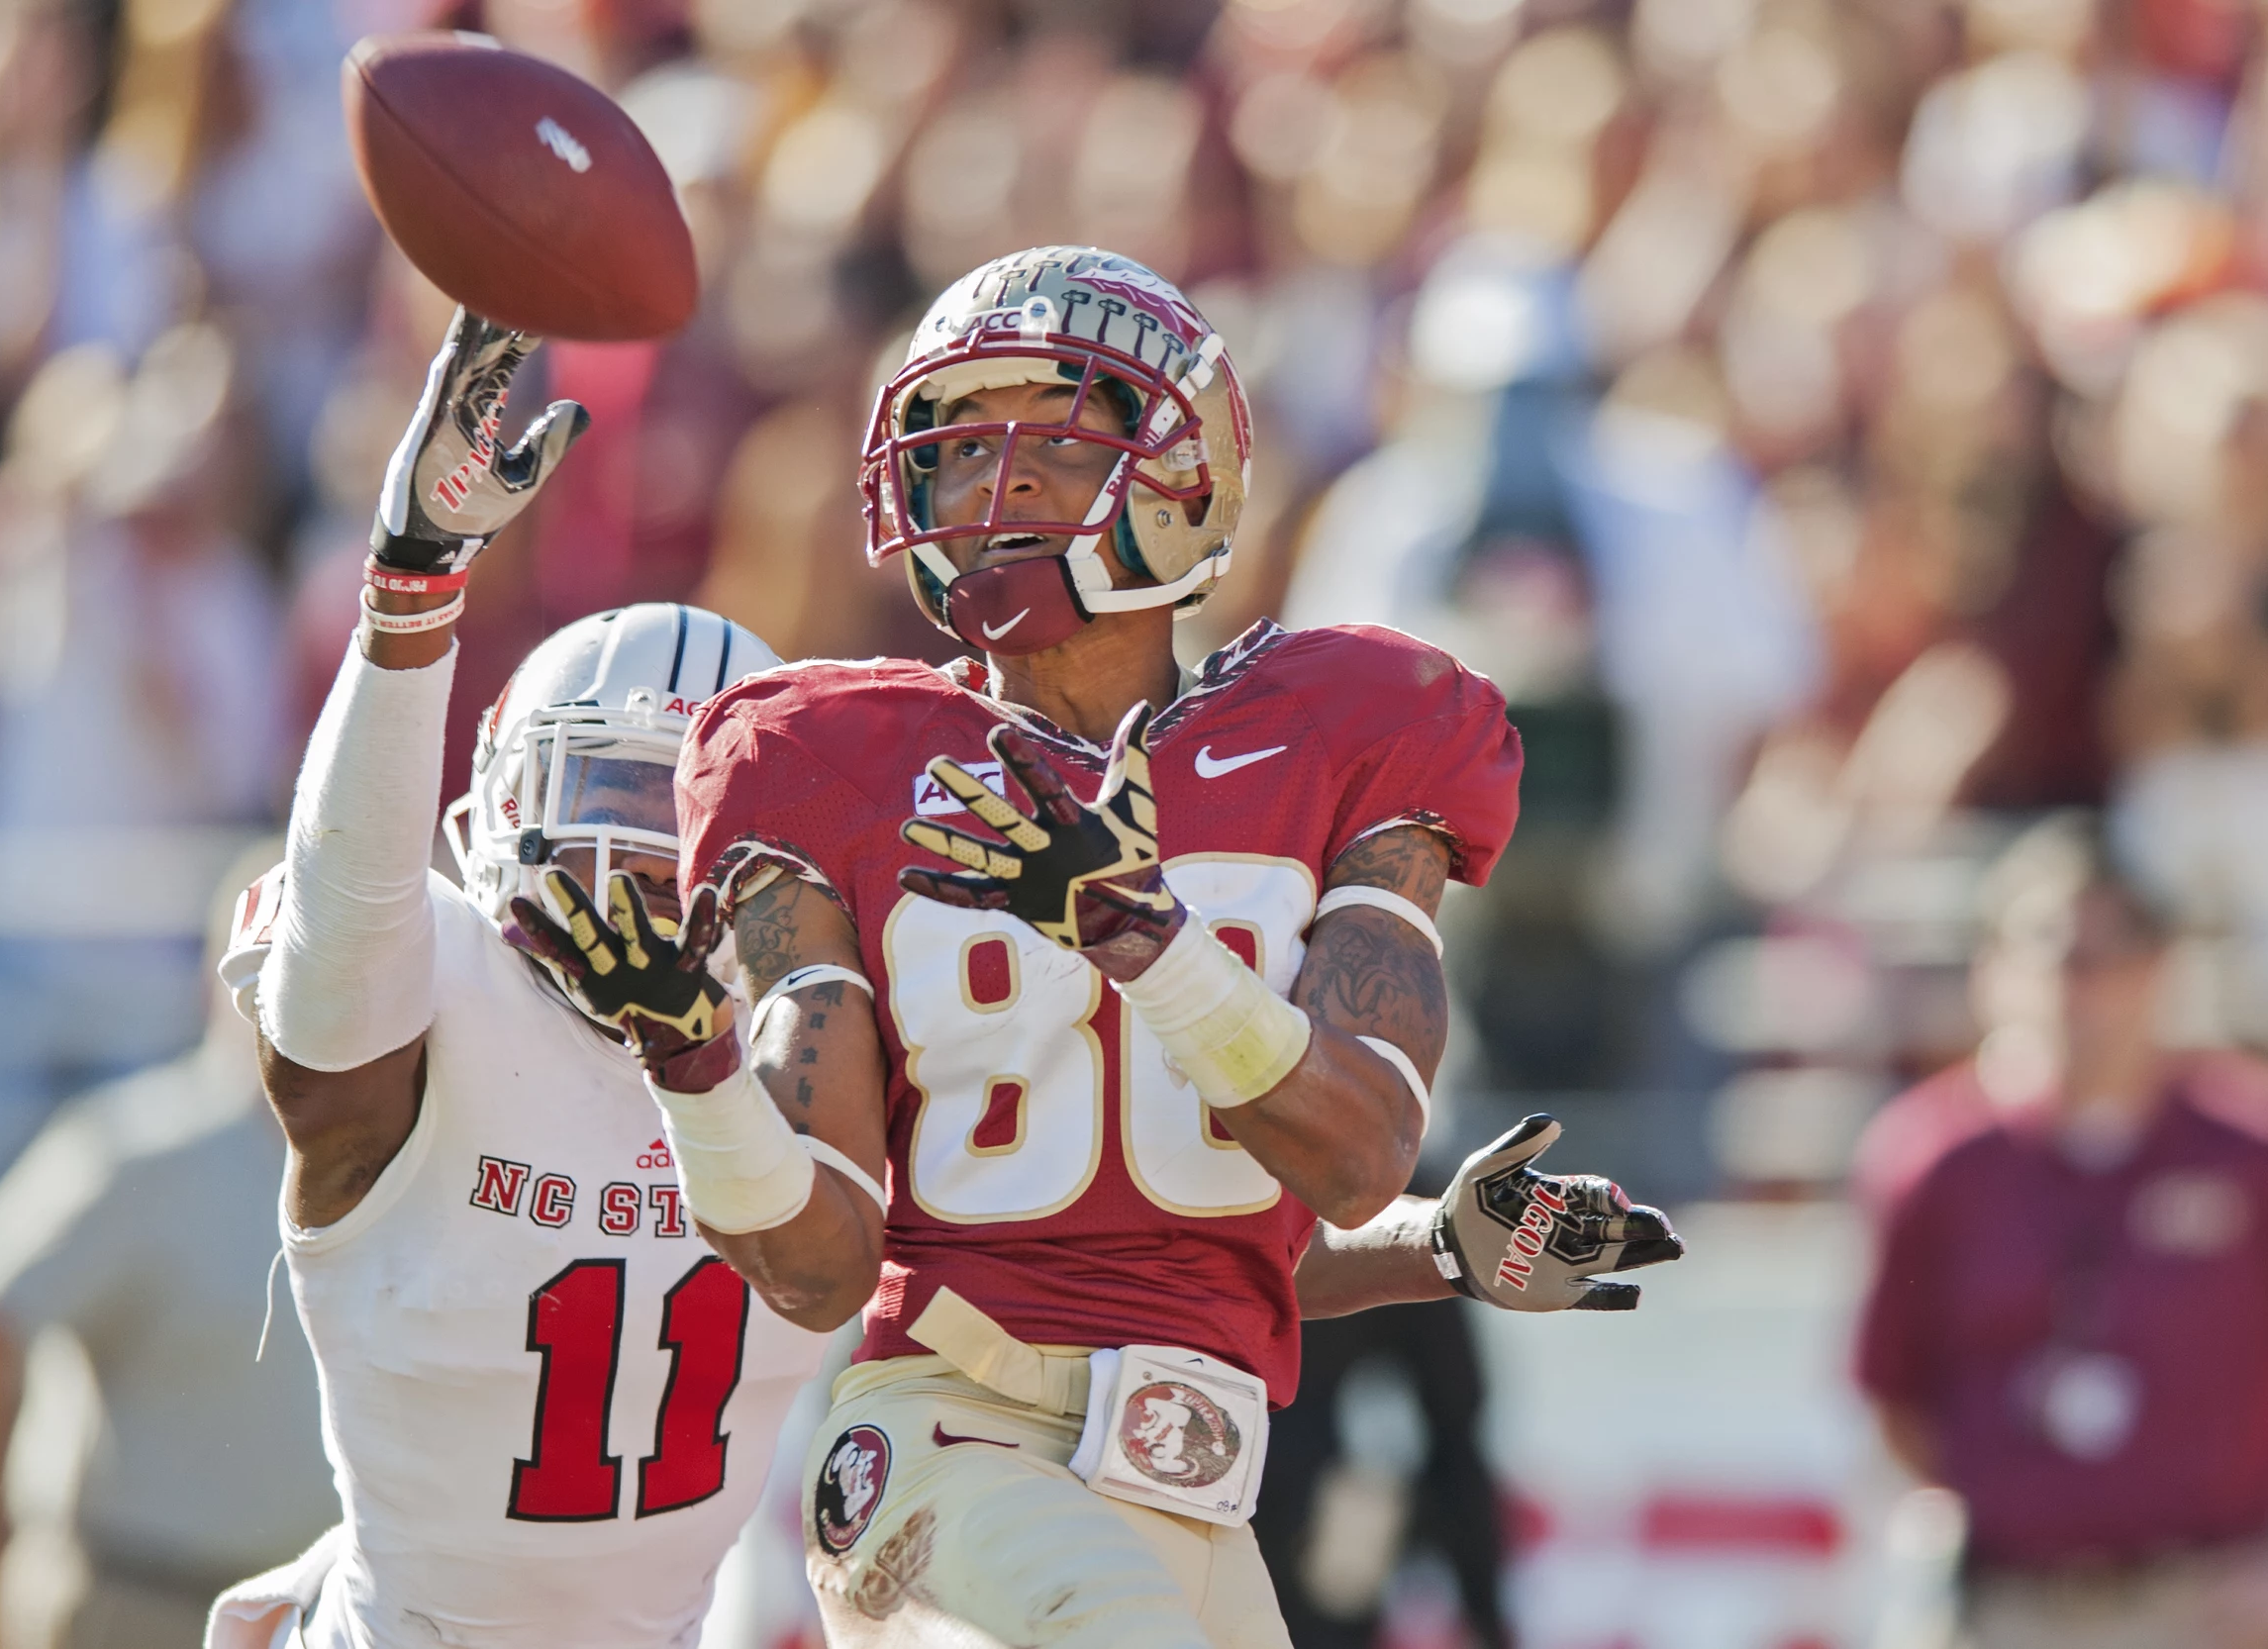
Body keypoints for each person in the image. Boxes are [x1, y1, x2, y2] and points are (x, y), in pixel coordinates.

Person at [517, 246, 1683, 1648]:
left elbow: (1344, 1155)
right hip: (950, 1445)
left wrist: (1421, 1241)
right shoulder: (823, 758)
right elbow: (819, 1264)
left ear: (1188, 474)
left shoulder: (1353, 726)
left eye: (1058, 439)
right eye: (959, 449)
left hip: (1195, 1487)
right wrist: (692, 1057)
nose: (999, 484)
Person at [207, 312, 831, 1649]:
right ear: (495, 803)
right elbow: (340, 972)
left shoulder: (825, 1048)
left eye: (696, 813)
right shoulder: (434, 994)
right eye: (610, 789)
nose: (651, 856)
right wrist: (412, 597)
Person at [1854, 845, 2268, 1649]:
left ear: (2162, 971)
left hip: (2209, 1603)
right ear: (1992, 971)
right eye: (2053, 954)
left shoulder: (2260, 1154)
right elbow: (1894, 1394)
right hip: (2009, 1603)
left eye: (2110, 957)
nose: (2080, 989)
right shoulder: (1934, 1160)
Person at [0, 846, 337, 1649]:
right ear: (219, 978)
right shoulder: (140, 1151)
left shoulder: (390, 1164)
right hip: (139, 1603)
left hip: (315, 1613)